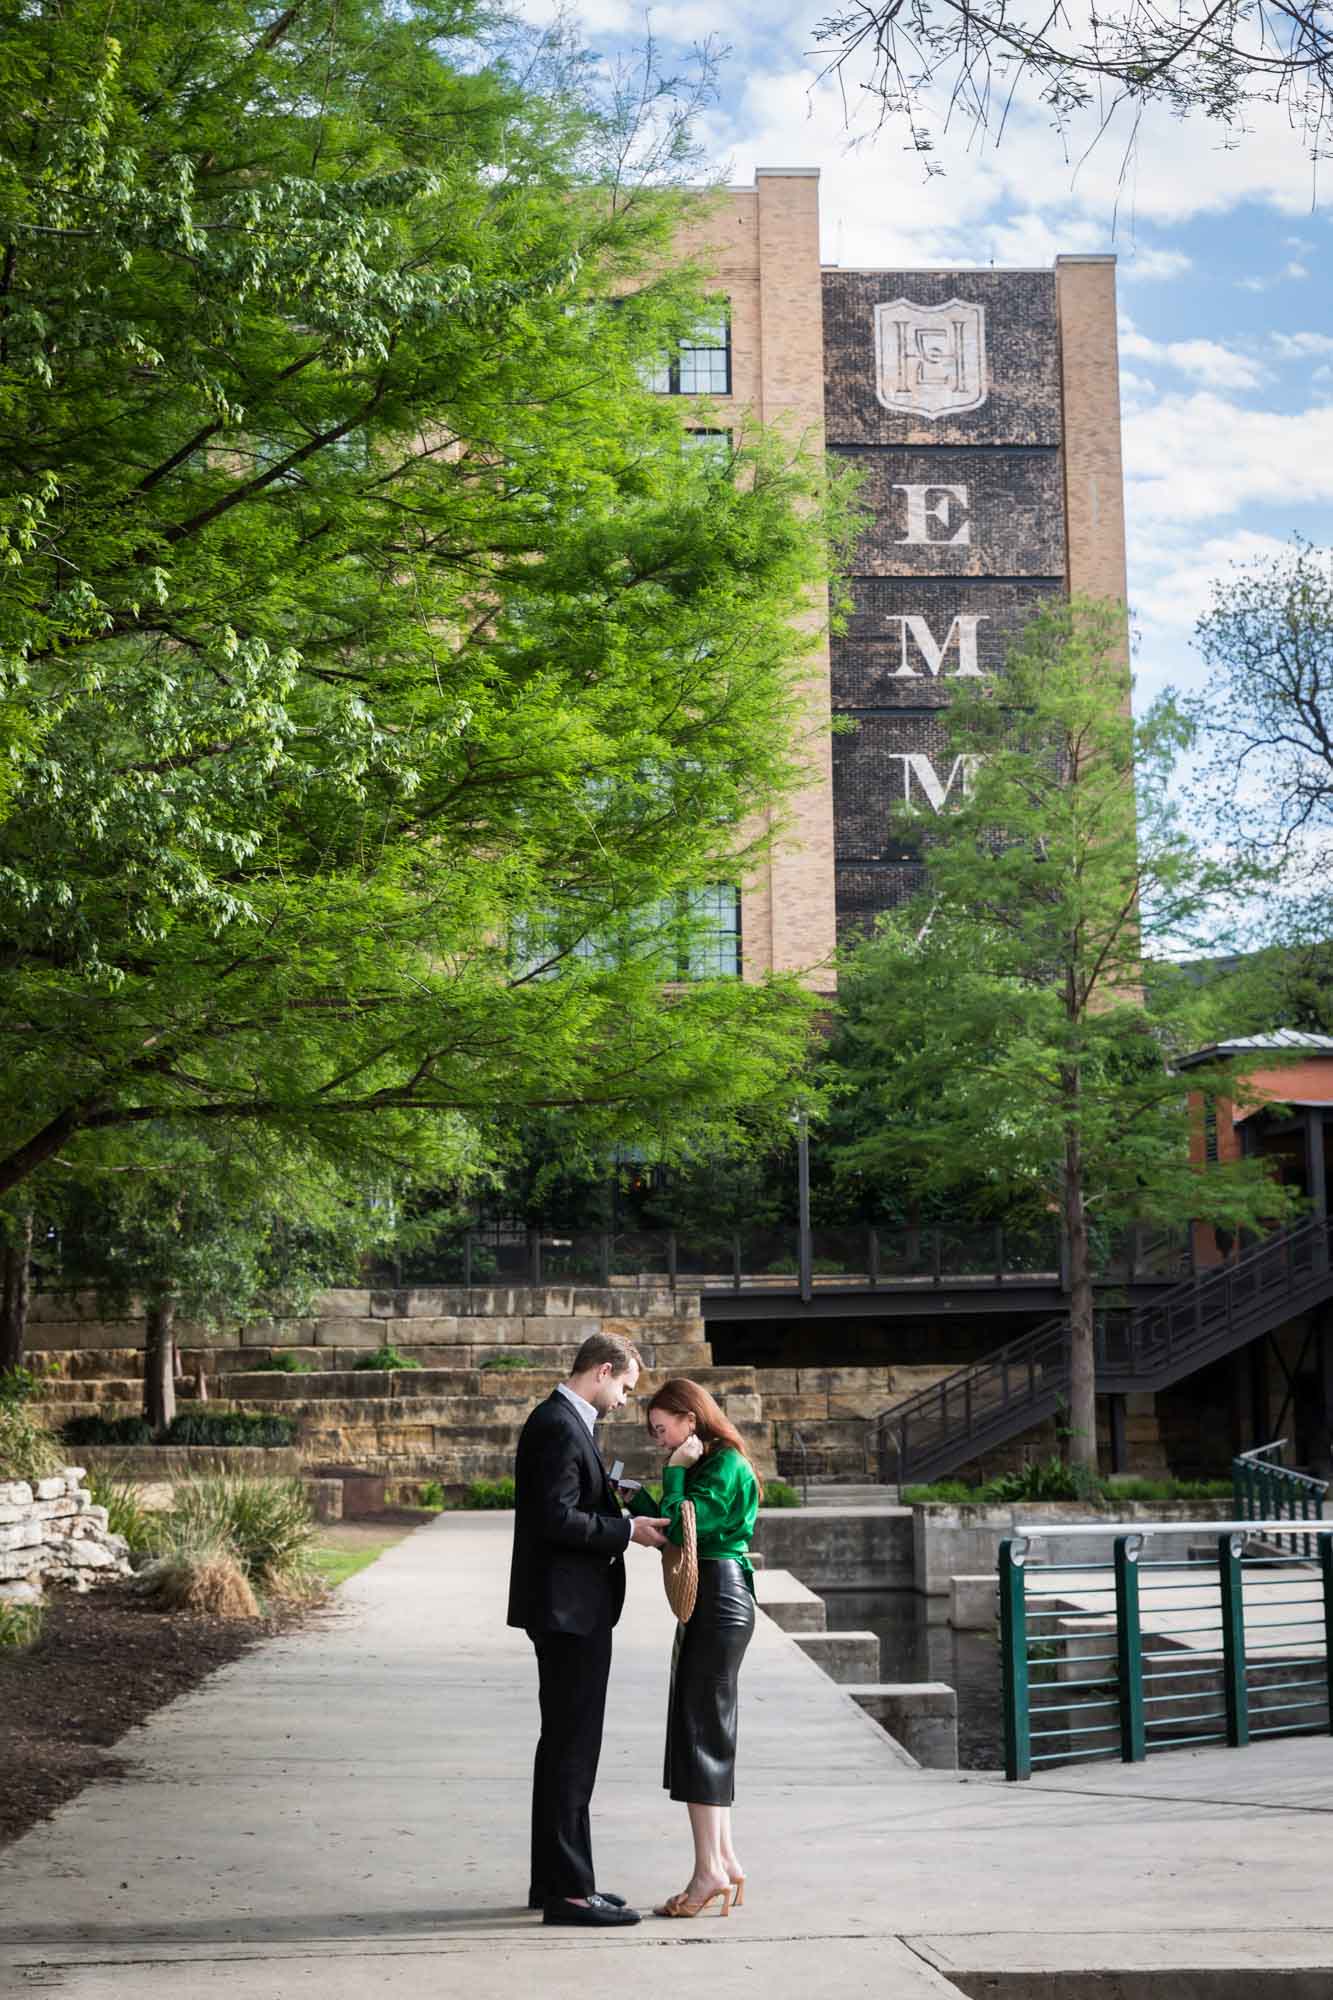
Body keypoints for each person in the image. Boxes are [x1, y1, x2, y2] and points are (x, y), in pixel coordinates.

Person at [507, 1332, 670, 1929]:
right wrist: (627, 1533)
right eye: (625, 1387)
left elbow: (571, 1505)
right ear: (602, 1371)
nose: (626, 1401)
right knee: (573, 1750)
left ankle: (554, 1880)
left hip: (566, 1607)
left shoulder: (564, 1422)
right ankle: (571, 1894)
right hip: (568, 1611)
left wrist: (619, 1510)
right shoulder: (557, 1423)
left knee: (562, 1747)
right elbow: (553, 1518)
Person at [639, 1376, 761, 1919]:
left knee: (702, 1731)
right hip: (711, 1597)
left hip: (719, 1596)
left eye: (663, 1430)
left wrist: (673, 1474)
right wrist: (640, 1496)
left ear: (691, 1421)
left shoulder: (722, 1465)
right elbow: (673, 1519)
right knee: (705, 1727)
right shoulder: (708, 1467)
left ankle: (708, 1869)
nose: (660, 1440)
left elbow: (690, 1530)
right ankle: (725, 1859)